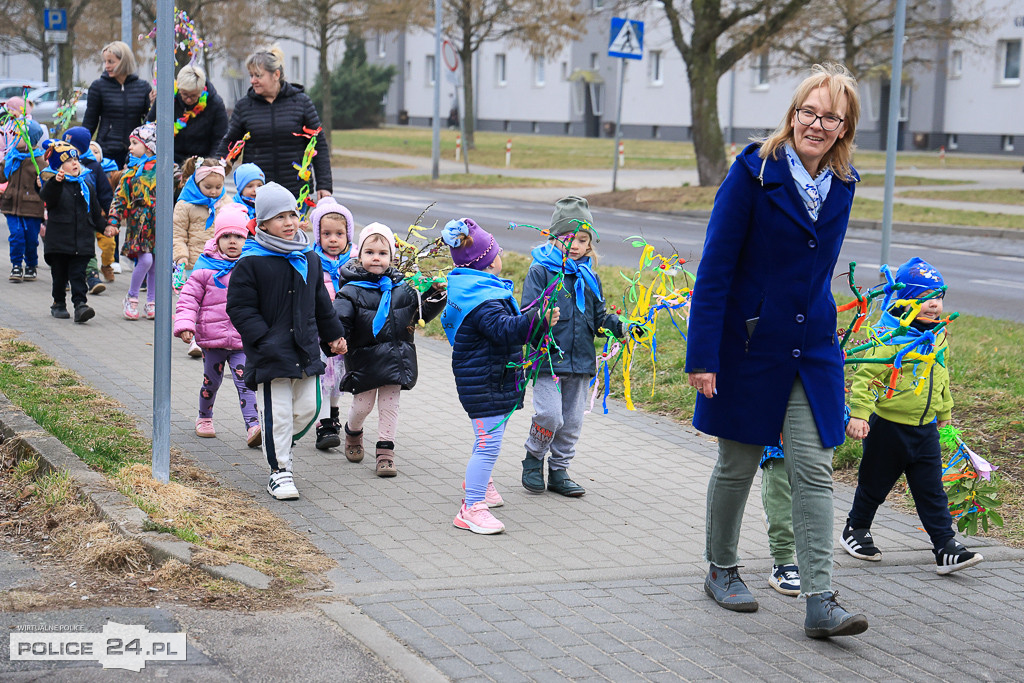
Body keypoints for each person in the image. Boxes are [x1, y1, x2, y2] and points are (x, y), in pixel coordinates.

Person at [684, 63, 868, 638]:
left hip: (811, 348)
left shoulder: (842, 185)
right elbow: (716, 267)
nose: (815, 124)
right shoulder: (753, 173)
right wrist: (703, 354)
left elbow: (818, 273)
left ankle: (821, 599)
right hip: (747, 344)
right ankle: (721, 568)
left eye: (829, 117)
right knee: (738, 464)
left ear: (844, 128)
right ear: (792, 115)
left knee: (813, 468)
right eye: (807, 112)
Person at [841, 257, 982, 575]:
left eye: (939, 297)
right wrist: (860, 415)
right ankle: (856, 529)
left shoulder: (937, 336)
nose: (935, 305)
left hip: (925, 429)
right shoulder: (888, 337)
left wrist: (944, 413)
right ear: (905, 301)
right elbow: (866, 378)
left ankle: (945, 546)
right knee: (874, 486)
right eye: (925, 298)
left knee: (932, 490)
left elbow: (941, 374)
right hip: (888, 428)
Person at [225, 182, 346, 501]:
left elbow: (321, 302)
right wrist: (263, 338)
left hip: (305, 350)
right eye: (280, 217)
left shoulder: (309, 257)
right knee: (278, 413)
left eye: (292, 214)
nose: (290, 222)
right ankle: (280, 471)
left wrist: (334, 335)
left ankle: (274, 440)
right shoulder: (250, 262)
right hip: (270, 355)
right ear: (263, 224)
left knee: (310, 407)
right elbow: (239, 308)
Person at [441, 218, 558, 534]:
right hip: (486, 382)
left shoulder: (476, 290)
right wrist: (538, 320)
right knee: (489, 445)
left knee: (487, 440)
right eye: (496, 248)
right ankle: (471, 507)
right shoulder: (483, 301)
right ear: (488, 260)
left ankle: (481, 482)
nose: (501, 250)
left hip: (491, 379)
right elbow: (505, 330)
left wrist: (537, 323)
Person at [520, 196, 624, 498]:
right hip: (548, 360)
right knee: (551, 415)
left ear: (589, 243)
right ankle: (534, 457)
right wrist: (542, 317)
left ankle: (559, 470)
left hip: (580, 361)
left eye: (582, 239)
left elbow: (599, 316)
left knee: (573, 420)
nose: (575, 245)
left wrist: (620, 326)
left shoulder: (590, 276)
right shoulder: (541, 270)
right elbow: (527, 313)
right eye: (568, 238)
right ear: (554, 237)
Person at [333, 222, 446, 477]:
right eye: (370, 252)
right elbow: (340, 319)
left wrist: (435, 295)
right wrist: (337, 337)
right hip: (364, 360)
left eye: (383, 253)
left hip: (396, 358)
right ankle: (353, 431)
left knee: (389, 407)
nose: (376, 258)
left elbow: (419, 314)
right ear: (359, 256)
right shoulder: (350, 291)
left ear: (392, 258)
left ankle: (385, 452)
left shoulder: (403, 289)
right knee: (363, 406)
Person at [174, 204, 262, 448]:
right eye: (226, 236)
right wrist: (185, 325)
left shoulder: (252, 267)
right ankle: (204, 417)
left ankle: (253, 426)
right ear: (217, 238)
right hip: (212, 341)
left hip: (242, 340)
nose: (232, 241)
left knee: (246, 383)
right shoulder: (205, 269)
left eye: (238, 236)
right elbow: (188, 299)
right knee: (211, 381)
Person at [214, 46, 332, 199]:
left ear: (276, 75)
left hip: (295, 191)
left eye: (258, 75)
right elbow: (229, 144)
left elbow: (318, 145)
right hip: (257, 192)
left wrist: (324, 184)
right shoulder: (244, 106)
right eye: (251, 75)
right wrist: (214, 172)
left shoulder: (301, 102)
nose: (252, 81)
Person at [37, 141, 111, 323]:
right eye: (68, 161)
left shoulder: (86, 186)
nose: (75, 163)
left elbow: (95, 212)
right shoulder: (54, 185)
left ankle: (80, 306)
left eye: (76, 159)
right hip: (59, 243)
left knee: (78, 275)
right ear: (59, 167)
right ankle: (58, 303)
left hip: (82, 242)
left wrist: (105, 227)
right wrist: (55, 182)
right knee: (60, 276)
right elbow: (47, 198)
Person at [308, 196, 355, 451]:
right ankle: (324, 424)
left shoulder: (356, 262)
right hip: (321, 332)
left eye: (339, 233)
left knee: (340, 378)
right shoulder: (311, 261)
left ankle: (334, 413)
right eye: (327, 234)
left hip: (346, 332)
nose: (333, 239)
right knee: (324, 377)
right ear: (318, 235)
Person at [107, 123, 157, 321]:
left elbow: (179, 186)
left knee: (156, 264)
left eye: (135, 143)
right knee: (145, 260)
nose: (130, 147)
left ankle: (152, 302)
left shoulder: (164, 171)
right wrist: (113, 221)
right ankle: (132, 296)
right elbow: (119, 199)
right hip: (139, 225)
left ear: (149, 147)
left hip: (158, 225)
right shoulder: (130, 174)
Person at [82, 41, 152, 169]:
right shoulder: (98, 87)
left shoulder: (143, 87)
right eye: (105, 62)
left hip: (135, 151)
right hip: (107, 149)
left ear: (124, 61)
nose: (106, 66)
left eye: (111, 62)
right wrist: (80, 146)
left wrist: (153, 104)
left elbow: (149, 121)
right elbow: (90, 121)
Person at [61, 126, 115, 288]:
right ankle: (65, 277)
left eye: (71, 146)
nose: (67, 149)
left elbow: (105, 193)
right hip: (67, 216)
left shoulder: (94, 167)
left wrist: (112, 216)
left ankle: (92, 277)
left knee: (87, 246)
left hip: (89, 215)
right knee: (67, 248)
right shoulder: (61, 165)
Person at [147, 65, 228, 164]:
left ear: (202, 90)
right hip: (170, 160)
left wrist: (211, 164)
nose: (189, 99)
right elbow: (147, 128)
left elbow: (220, 139)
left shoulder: (215, 104)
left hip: (201, 161)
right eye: (185, 94)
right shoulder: (166, 97)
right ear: (179, 88)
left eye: (194, 96)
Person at [2, 118, 45, 283]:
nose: (13, 138)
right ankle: (16, 264)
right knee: (16, 235)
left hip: (32, 207)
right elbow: (2, 176)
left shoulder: (39, 161)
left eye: (17, 135)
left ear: (30, 138)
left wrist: (43, 183)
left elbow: (47, 184)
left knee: (30, 238)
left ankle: (31, 265)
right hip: (11, 205)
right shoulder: (11, 157)